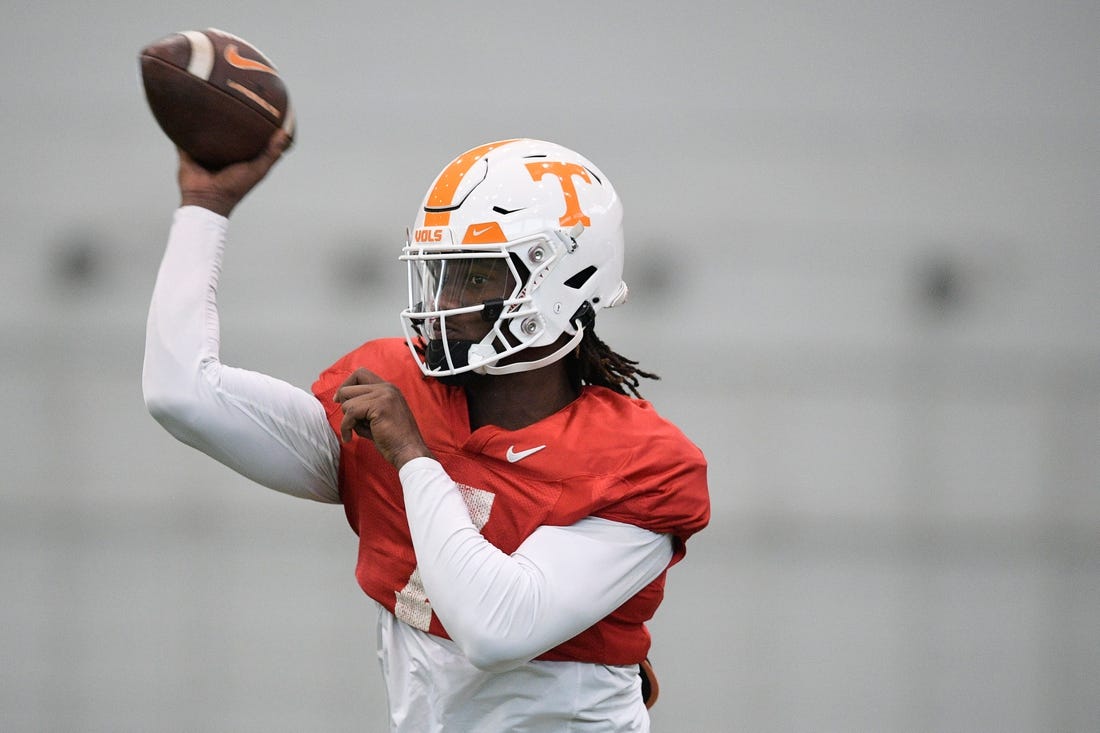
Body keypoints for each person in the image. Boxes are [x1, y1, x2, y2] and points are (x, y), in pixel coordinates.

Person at [143, 132, 710, 732]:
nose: (442, 300)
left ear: (560, 280)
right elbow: (182, 394)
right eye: (440, 274)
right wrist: (205, 208)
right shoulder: (398, 387)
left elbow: (495, 628)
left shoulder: (642, 463)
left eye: (475, 278)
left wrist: (413, 459)